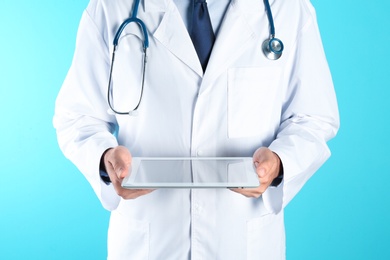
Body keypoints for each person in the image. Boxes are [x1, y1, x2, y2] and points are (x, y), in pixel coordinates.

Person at [53, 0, 339, 259]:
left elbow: (313, 117)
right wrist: (105, 159)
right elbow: (77, 117)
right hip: (149, 242)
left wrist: (279, 163)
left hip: (242, 242)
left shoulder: (287, 9)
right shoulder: (111, 8)